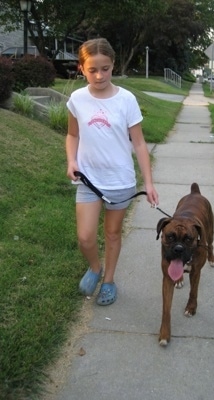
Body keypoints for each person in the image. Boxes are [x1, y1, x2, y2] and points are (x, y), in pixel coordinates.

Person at [66, 38, 159, 306]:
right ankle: (95, 268)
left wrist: (149, 184)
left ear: (113, 66)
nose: (99, 75)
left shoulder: (126, 100)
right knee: (85, 237)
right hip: (88, 179)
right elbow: (72, 135)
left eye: (105, 69)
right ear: (81, 68)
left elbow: (139, 143)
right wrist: (71, 160)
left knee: (112, 234)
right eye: (92, 69)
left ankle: (109, 280)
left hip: (119, 181)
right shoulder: (77, 99)